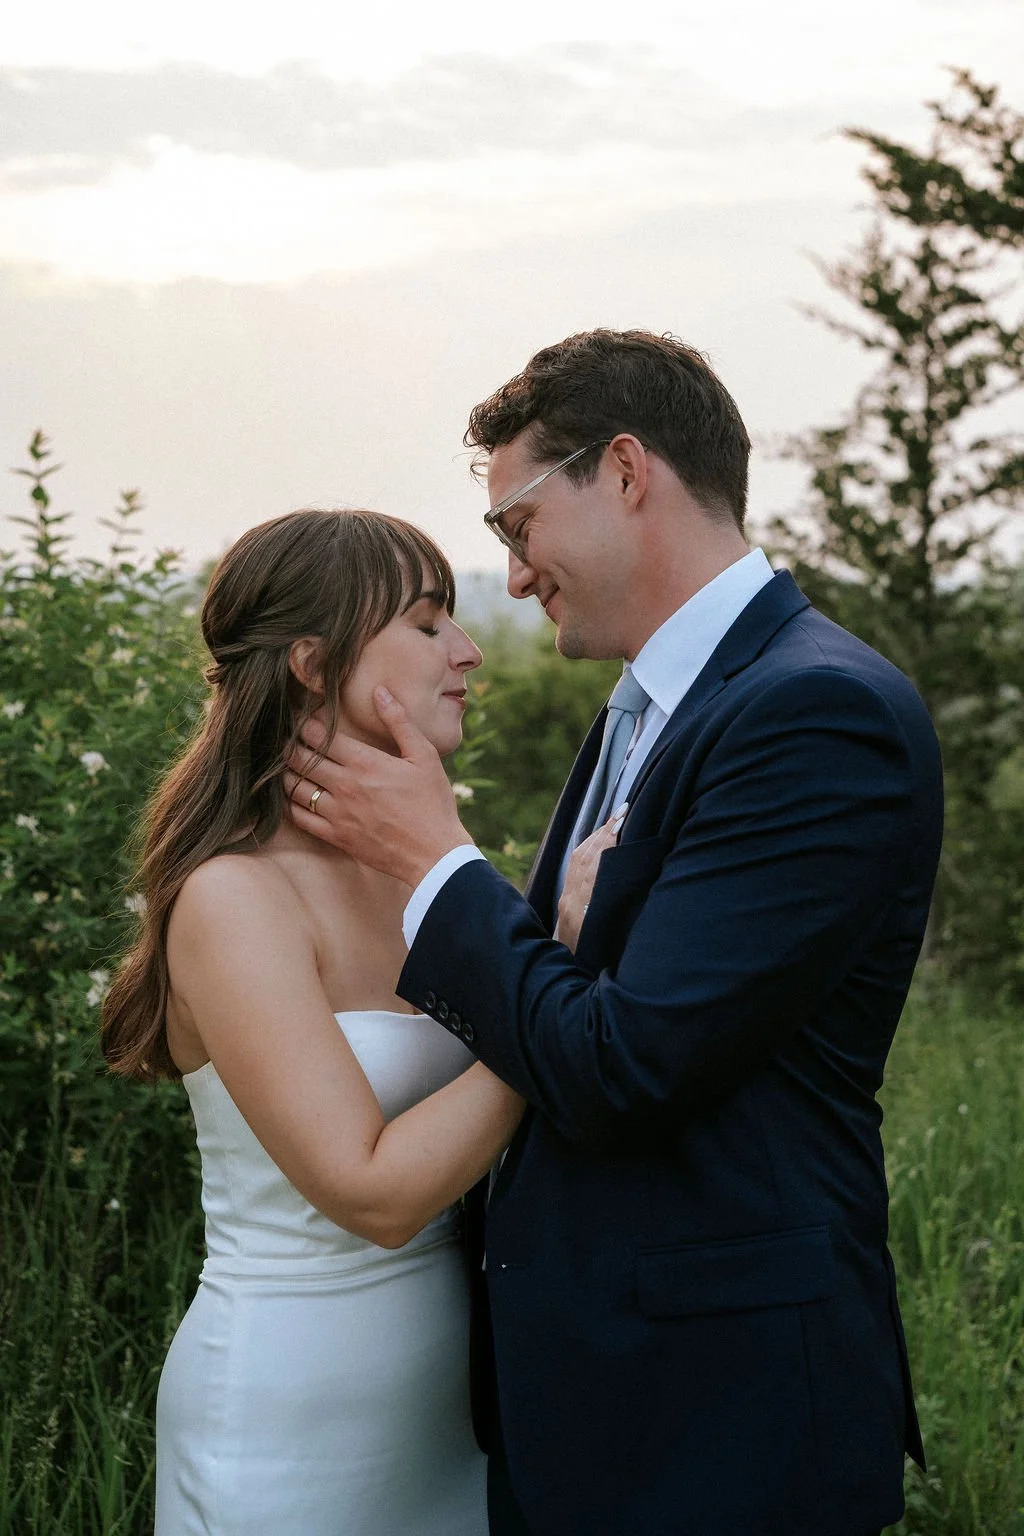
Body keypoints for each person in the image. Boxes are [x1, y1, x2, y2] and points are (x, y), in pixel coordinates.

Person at [282, 329, 943, 1536]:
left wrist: (438, 863)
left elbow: (630, 1064)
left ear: (626, 472)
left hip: (721, 1417)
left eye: (514, 526)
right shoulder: (647, 706)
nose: (516, 578)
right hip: (583, 1395)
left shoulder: (813, 711)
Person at [100, 507, 527, 1535]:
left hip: (458, 1417)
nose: (466, 652)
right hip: (290, 1420)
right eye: (428, 625)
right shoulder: (235, 898)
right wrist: (554, 1003)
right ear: (310, 661)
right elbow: (372, 1194)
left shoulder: (430, 876)